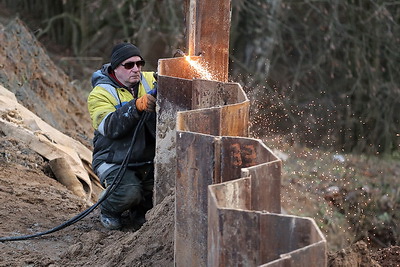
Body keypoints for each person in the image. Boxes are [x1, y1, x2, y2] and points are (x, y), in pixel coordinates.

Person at [87, 42, 157, 230]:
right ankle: (109, 208)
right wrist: (136, 106)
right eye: (129, 65)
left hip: (145, 159)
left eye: (139, 64)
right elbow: (109, 126)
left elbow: (171, 78)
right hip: (113, 160)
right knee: (128, 193)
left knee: (156, 195)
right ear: (115, 68)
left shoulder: (149, 80)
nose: (136, 69)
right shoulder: (100, 94)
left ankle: (138, 210)